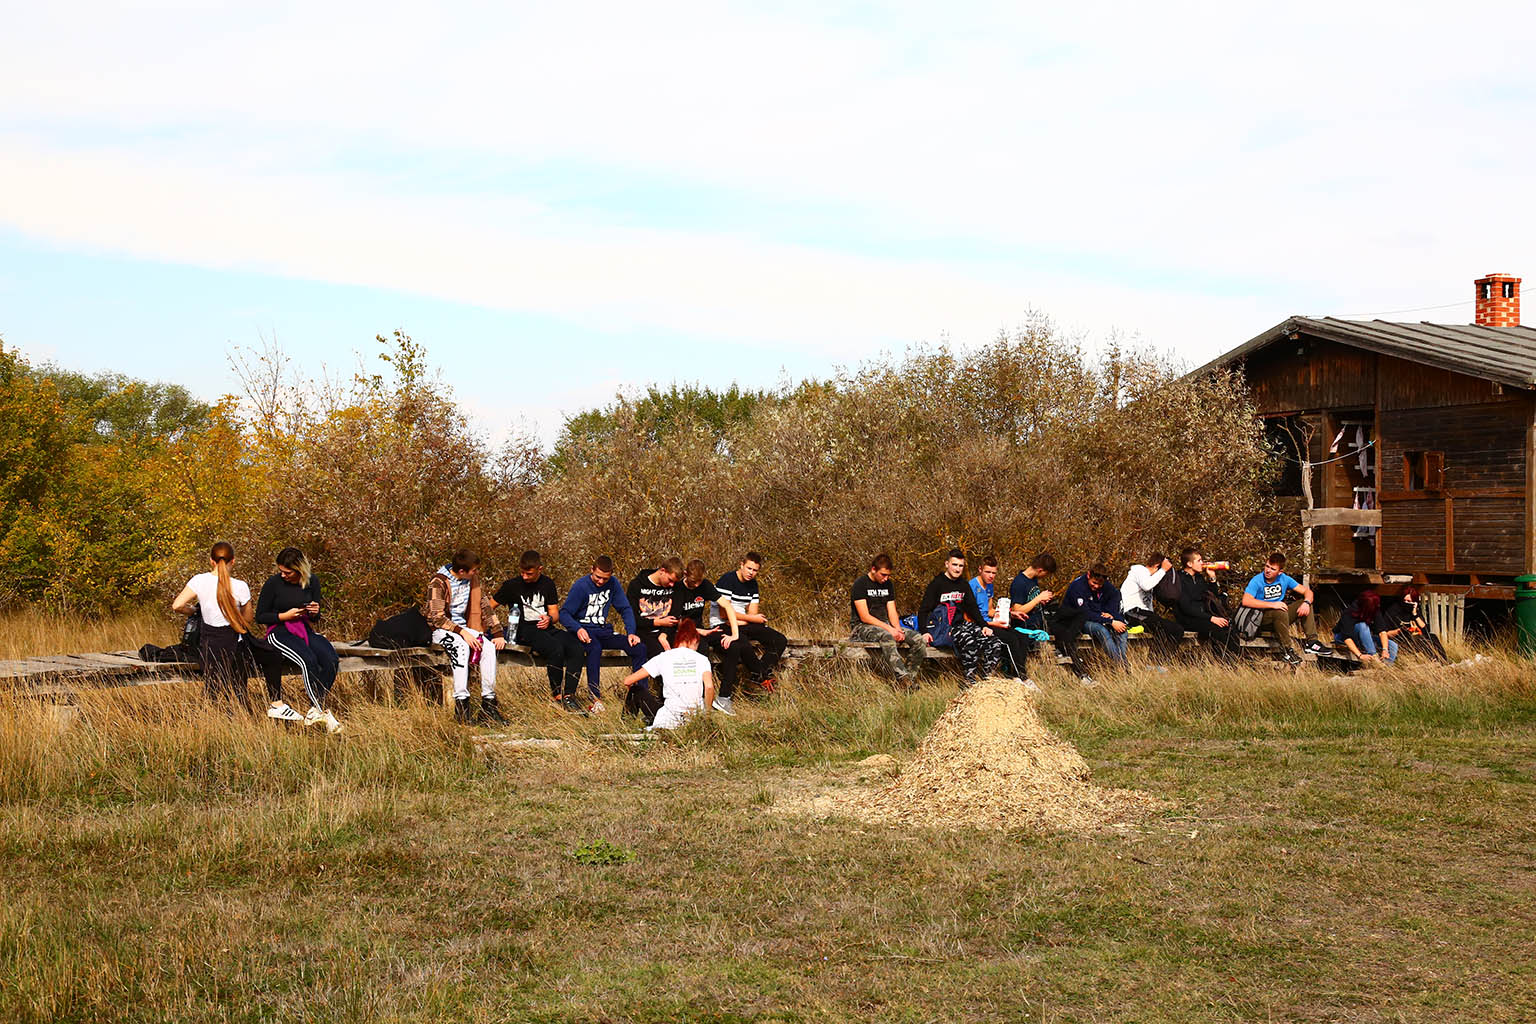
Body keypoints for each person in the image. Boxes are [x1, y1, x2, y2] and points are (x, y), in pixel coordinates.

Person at [256, 547, 343, 733]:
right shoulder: (273, 584)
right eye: (281, 571)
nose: (283, 575)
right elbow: (260, 616)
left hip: (304, 629)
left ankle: (314, 710)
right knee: (308, 660)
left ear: (300, 570)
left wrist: (315, 612)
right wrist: (284, 616)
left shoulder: (312, 582)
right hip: (278, 632)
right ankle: (320, 710)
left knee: (331, 659)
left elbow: (315, 619)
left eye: (287, 572)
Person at [493, 550, 586, 713]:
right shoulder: (511, 585)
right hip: (524, 630)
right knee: (555, 648)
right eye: (522, 572)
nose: (524, 577)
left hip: (547, 628)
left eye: (529, 573)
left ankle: (569, 695)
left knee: (575, 646)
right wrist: (494, 630)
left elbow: (555, 614)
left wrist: (549, 619)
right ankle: (557, 695)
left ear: (539, 569)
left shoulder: (548, 584)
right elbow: (489, 606)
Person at [423, 549, 507, 725]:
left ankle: (489, 704)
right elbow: (436, 617)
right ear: (462, 571)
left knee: (489, 648)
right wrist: (462, 633)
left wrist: (497, 632)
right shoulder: (438, 582)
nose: (476, 573)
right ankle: (462, 707)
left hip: (465, 628)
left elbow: (485, 606)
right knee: (460, 649)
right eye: (474, 570)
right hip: (441, 630)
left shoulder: (472, 581)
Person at [171, 541, 257, 714]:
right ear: (233, 561)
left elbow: (177, 605)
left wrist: (194, 610)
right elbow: (248, 619)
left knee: (214, 684)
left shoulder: (199, 580)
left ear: (211, 561)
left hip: (210, 642)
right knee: (239, 684)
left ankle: (214, 714)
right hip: (234, 642)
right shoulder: (241, 586)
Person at [559, 555, 645, 713]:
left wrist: (631, 632)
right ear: (592, 570)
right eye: (598, 577)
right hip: (583, 631)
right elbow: (564, 614)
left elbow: (625, 609)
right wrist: (577, 628)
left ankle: (641, 695)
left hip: (603, 630)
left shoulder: (613, 584)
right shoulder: (581, 586)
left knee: (639, 647)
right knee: (595, 647)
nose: (600, 581)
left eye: (605, 578)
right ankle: (595, 696)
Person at [919, 549, 1006, 687]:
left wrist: (984, 625)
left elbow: (972, 608)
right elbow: (924, 610)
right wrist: (924, 632)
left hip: (961, 624)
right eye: (954, 565)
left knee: (993, 641)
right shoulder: (937, 584)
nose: (957, 569)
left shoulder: (963, 584)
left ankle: (985, 682)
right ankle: (969, 682)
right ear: (947, 564)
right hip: (944, 628)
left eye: (960, 566)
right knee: (968, 640)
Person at [671, 559, 744, 715]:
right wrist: (699, 631)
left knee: (734, 646)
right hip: (683, 632)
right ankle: (703, 700)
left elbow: (727, 606)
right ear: (685, 575)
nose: (696, 585)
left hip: (702, 630)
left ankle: (724, 698)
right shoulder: (677, 588)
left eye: (699, 582)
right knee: (702, 649)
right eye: (693, 582)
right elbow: (676, 621)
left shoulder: (704, 585)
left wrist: (734, 634)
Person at [1009, 552, 1092, 683]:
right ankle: (1080, 673)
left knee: (1078, 614)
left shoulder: (1033, 580)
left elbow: (1030, 601)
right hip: (1030, 626)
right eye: (1046, 574)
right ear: (1040, 570)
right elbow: (1017, 609)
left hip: (1042, 619)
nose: (1045, 577)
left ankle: (1074, 661)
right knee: (1064, 635)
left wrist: (1041, 601)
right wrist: (1038, 598)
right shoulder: (1019, 583)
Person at [620, 619, 715, 731]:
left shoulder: (664, 657)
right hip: (693, 717)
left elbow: (628, 681)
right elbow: (709, 687)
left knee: (636, 691)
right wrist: (707, 715)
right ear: (694, 640)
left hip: (668, 717)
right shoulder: (702, 659)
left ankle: (624, 728)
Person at [849, 553, 927, 688]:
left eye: (888, 575)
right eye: (883, 575)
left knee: (919, 639)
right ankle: (903, 678)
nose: (886, 578)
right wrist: (890, 630)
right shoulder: (860, 584)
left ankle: (909, 680)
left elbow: (892, 610)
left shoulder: (888, 585)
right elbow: (864, 616)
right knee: (887, 636)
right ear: (873, 569)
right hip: (862, 627)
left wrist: (897, 629)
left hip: (885, 625)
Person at [1240, 552, 1329, 665]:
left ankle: (1312, 643)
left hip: (1280, 618)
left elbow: (1307, 592)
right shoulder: (1257, 580)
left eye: (1272, 569)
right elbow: (1246, 601)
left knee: (1305, 603)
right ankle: (1287, 651)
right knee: (1280, 611)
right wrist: (1273, 604)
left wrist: (1306, 602)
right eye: (1267, 566)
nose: (1268, 571)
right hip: (1261, 619)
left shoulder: (1284, 579)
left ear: (1280, 572)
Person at [716, 552, 787, 694]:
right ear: (741, 565)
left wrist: (749, 620)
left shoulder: (753, 584)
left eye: (755, 570)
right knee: (744, 644)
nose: (751, 573)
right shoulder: (727, 580)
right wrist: (751, 619)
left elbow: (753, 612)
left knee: (779, 640)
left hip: (743, 623)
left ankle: (757, 674)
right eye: (749, 568)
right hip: (724, 624)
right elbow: (724, 614)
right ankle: (762, 677)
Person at [970, 555, 1036, 684]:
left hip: (990, 623)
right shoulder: (971, 586)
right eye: (987, 572)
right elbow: (969, 617)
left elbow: (989, 610)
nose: (991, 576)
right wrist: (991, 624)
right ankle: (1021, 676)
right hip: (979, 625)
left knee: (1021, 636)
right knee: (1009, 639)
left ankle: (1016, 675)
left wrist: (1011, 614)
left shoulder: (989, 586)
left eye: (993, 573)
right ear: (980, 570)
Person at [1172, 548, 1238, 660]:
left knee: (1229, 627)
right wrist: (1211, 618)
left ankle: (1234, 659)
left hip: (1204, 616)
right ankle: (1228, 661)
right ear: (1189, 564)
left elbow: (1212, 596)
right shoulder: (1179, 579)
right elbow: (1186, 607)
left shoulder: (1199, 578)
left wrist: (1212, 578)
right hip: (1188, 618)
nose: (1202, 563)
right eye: (1199, 560)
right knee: (1217, 629)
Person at [1062, 563, 1129, 668]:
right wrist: (1110, 621)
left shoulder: (1106, 586)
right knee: (1101, 630)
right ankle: (1123, 666)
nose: (1096, 586)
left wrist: (1110, 615)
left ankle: (1121, 664)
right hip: (1078, 620)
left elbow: (1114, 600)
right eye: (1094, 583)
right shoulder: (1078, 587)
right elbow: (1084, 613)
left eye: (1100, 585)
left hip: (1098, 618)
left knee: (1122, 631)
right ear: (1089, 575)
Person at [1119, 552, 1184, 656]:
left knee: (1177, 629)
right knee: (1160, 627)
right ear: (1157, 566)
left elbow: (1149, 604)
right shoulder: (1139, 570)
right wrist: (1163, 570)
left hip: (1144, 614)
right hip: (1131, 612)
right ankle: (1154, 663)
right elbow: (1146, 585)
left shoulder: (1151, 578)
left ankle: (1161, 662)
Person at [627, 558, 684, 660]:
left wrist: (664, 634)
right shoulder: (636, 585)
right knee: (661, 656)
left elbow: (675, 615)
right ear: (662, 571)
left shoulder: (677, 587)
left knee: (686, 653)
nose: (672, 585)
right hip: (644, 632)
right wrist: (657, 622)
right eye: (670, 580)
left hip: (667, 632)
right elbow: (632, 618)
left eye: (674, 582)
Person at [1380, 586, 1449, 662]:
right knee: (1419, 639)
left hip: (1416, 639)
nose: (1406, 603)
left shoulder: (1414, 610)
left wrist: (1415, 615)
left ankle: (1443, 660)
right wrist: (1400, 630)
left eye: (1409, 601)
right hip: (1400, 640)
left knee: (1432, 637)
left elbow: (1426, 630)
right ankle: (1433, 659)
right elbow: (1385, 633)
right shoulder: (1393, 611)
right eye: (1404, 600)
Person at [1332, 589, 1396, 665]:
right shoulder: (1349, 613)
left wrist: (1385, 650)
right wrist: (1360, 655)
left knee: (1393, 645)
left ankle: (1386, 666)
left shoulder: (1375, 609)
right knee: (1362, 625)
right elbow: (1347, 638)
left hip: (1363, 637)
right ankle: (1374, 658)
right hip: (1342, 638)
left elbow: (1382, 631)